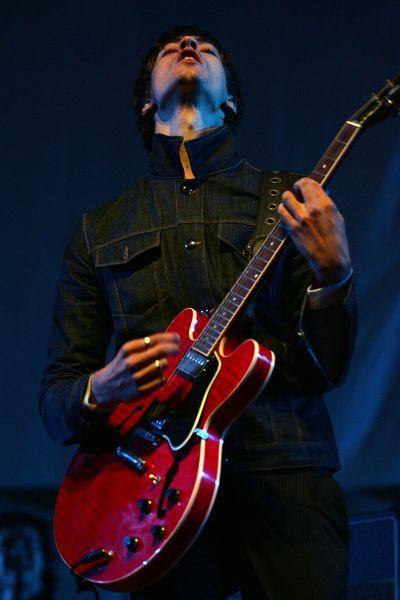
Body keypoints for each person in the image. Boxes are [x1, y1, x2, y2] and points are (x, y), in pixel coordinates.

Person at [39, 25, 356, 599]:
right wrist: (100, 387)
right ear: (145, 102)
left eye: (206, 49)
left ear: (229, 99)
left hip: (284, 470)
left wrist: (335, 277)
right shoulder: (98, 230)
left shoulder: (290, 201)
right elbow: (57, 400)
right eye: (170, 48)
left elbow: (323, 368)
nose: (188, 46)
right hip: (152, 490)